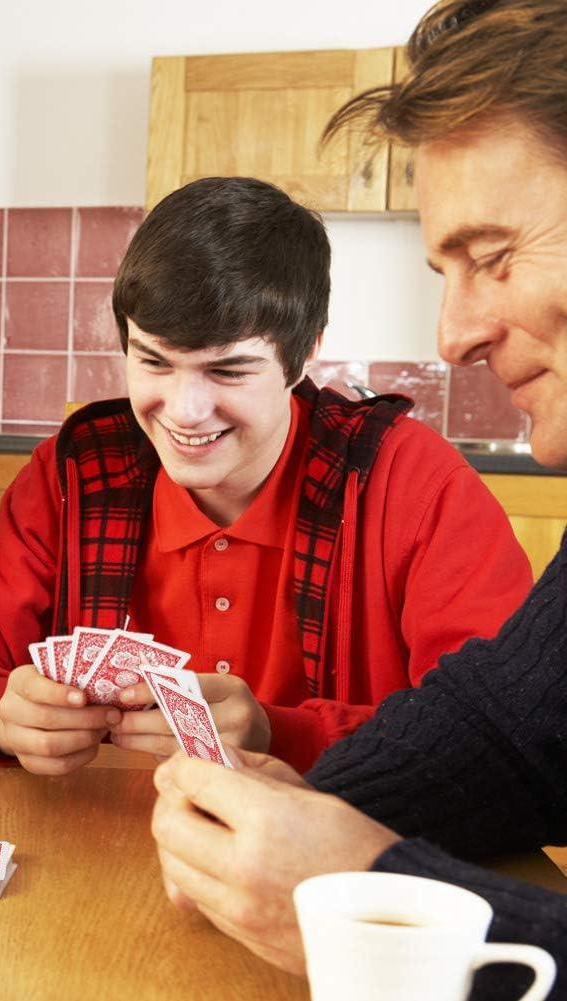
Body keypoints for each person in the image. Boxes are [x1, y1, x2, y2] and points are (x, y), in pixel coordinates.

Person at [151, 0, 567, 994]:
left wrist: (375, 896)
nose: (452, 333)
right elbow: (508, 720)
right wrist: (292, 811)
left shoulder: (410, 471)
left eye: (490, 257)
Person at [0, 174, 531, 774]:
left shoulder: (413, 482)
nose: (185, 411)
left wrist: (279, 734)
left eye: (228, 371)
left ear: (304, 353)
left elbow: (503, 737)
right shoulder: (71, 473)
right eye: (153, 361)